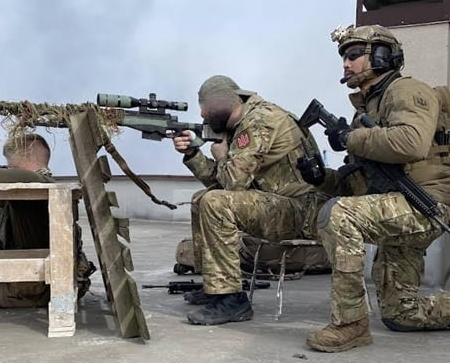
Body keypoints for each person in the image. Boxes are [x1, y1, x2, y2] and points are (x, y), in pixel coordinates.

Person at [297, 24, 450, 352]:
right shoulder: (366, 112)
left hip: (425, 204)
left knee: (338, 216)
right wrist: (320, 177)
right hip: (398, 204)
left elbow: (411, 143)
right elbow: (357, 183)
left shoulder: (405, 91)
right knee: (401, 315)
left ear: (382, 56)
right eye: (343, 58)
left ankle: (351, 323)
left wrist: (349, 138)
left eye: (353, 55)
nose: (345, 65)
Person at [173, 75, 329, 325]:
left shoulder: (258, 121)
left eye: (205, 110)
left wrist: (222, 156)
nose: (202, 116)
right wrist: (193, 153)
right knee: (201, 199)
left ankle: (232, 301)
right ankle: (216, 286)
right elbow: (221, 184)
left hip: (302, 210)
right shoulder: (243, 123)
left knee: (214, 203)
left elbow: (233, 184)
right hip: (279, 203)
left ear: (221, 104)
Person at [0, 132, 94, 307]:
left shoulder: (35, 181)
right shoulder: (38, 184)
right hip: (39, 283)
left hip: (34, 289)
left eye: (10, 166)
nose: (8, 170)